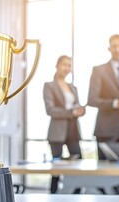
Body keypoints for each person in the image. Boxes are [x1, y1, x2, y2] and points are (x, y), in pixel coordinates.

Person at [87, 34, 119, 194]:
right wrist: (116, 103)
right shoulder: (99, 70)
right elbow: (92, 99)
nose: (117, 49)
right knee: (104, 174)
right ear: (109, 48)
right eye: (114, 46)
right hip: (106, 128)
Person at [43, 55, 85, 194]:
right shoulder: (49, 86)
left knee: (78, 163)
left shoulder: (73, 87)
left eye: (69, 65)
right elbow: (51, 110)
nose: (66, 68)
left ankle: (77, 195)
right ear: (57, 65)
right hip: (57, 131)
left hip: (73, 129)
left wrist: (80, 111)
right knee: (56, 170)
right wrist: (71, 112)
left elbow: (76, 107)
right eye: (64, 64)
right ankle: (53, 195)